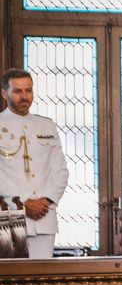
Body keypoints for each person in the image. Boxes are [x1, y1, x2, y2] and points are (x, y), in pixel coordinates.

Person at [0, 69, 69, 258]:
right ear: (4, 94)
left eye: (28, 90)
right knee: (9, 282)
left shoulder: (47, 126)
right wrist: (22, 202)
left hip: (44, 217)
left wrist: (45, 201)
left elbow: (60, 171)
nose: (24, 97)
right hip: (8, 216)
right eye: (18, 91)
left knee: (40, 282)